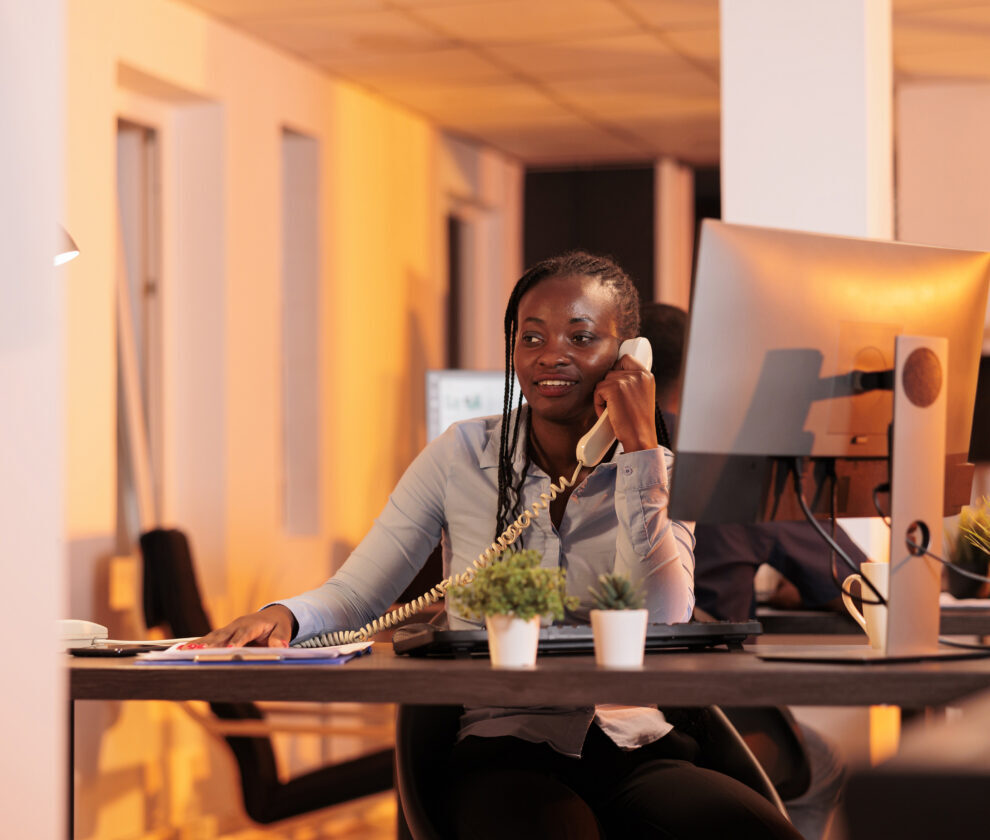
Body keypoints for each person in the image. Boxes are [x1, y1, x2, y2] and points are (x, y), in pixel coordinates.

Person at [195, 254, 801, 839]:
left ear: (627, 360)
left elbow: (661, 616)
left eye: (580, 336)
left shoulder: (659, 470)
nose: (550, 356)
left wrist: (642, 454)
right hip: (507, 748)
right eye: (530, 338)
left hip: (633, 739)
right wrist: (284, 615)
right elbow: (358, 594)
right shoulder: (462, 455)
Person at [641, 301, 851, 840]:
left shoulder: (583, 457)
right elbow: (855, 585)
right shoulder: (741, 459)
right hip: (715, 722)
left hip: (615, 714)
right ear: (704, 369)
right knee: (824, 765)